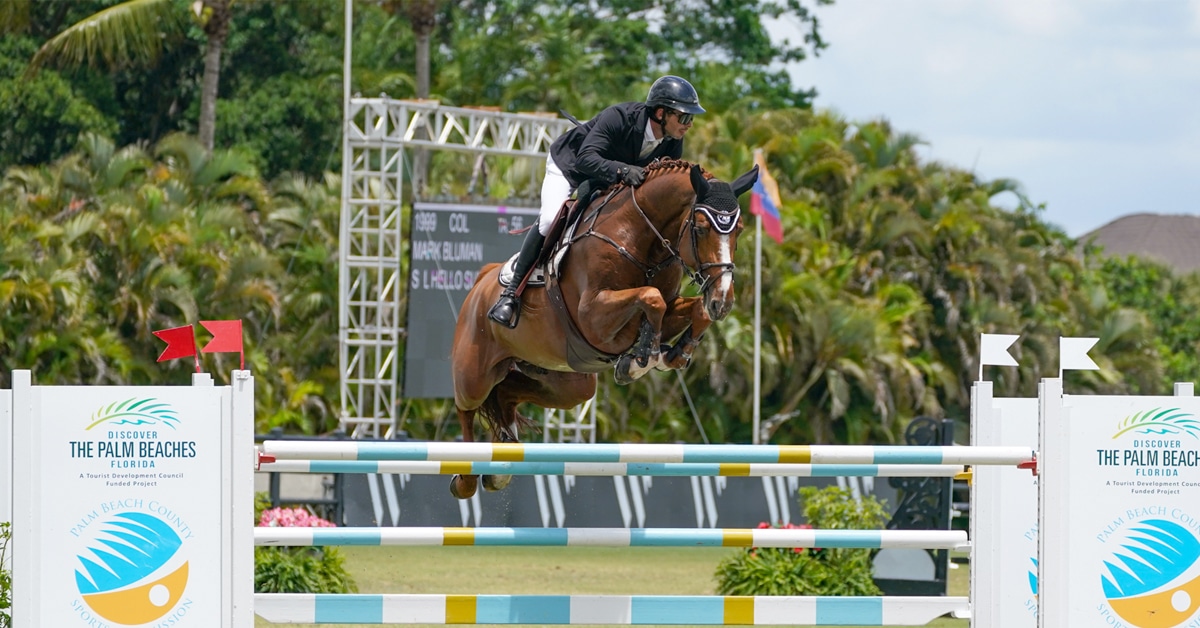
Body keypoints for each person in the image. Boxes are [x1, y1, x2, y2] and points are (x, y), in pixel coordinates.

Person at [487, 75, 706, 328]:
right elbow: (585, 160)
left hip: (606, 180)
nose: (689, 124)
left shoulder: (672, 142)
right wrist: (623, 171)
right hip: (569, 168)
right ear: (660, 113)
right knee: (549, 220)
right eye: (685, 117)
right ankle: (511, 294)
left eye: (691, 118)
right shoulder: (619, 118)